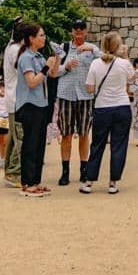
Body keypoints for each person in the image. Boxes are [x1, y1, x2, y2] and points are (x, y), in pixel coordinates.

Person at [79, 32, 136, 194]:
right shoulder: (123, 63)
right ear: (118, 47)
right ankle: (113, 183)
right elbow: (133, 79)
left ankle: (89, 181)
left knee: (97, 144)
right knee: (119, 145)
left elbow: (89, 88)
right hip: (122, 106)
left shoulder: (96, 64)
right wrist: (126, 56)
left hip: (102, 108)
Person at [51, 19, 99, 187]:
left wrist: (92, 48)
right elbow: (54, 73)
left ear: (86, 31)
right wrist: (67, 67)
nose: (78, 32)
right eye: (76, 29)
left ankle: (84, 170)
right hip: (66, 95)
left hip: (85, 96)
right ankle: (65, 171)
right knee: (66, 134)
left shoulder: (92, 49)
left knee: (85, 133)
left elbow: (105, 61)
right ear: (71, 31)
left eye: (81, 29)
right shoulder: (63, 49)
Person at [14, 23, 59, 197]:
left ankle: (36, 181)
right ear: (31, 38)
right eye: (41, 35)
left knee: (40, 144)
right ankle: (27, 182)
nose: (44, 38)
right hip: (29, 105)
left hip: (41, 104)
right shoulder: (26, 57)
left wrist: (57, 57)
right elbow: (32, 82)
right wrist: (46, 66)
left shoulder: (39, 56)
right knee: (31, 143)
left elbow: (53, 74)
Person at [1, 17, 24, 188]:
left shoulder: (10, 47)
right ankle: (15, 172)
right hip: (17, 99)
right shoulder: (16, 50)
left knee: (13, 137)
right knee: (20, 137)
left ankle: (9, 169)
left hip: (12, 98)